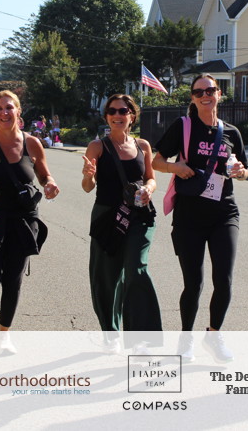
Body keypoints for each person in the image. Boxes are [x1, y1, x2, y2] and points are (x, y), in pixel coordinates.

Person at [152, 73, 248, 364]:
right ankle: (186, 339)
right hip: (189, 216)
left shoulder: (231, 132)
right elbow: (156, 161)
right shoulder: (183, 126)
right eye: (199, 92)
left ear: (219, 94)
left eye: (211, 90)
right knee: (193, 283)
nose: (206, 95)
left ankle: (214, 335)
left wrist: (240, 172)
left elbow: (244, 169)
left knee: (224, 279)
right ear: (192, 98)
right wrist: (176, 168)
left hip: (224, 213)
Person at [0, 91, 59, 353]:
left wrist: (50, 185)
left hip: (24, 220)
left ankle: (4, 335)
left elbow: (44, 175)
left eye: (9, 107)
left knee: (13, 279)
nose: (4, 113)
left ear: (18, 111)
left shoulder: (33, 144)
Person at [81, 94, 162, 353]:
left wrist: (149, 189)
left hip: (139, 217)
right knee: (107, 277)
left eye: (123, 111)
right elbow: (87, 187)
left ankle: (142, 339)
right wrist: (88, 176)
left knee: (136, 268)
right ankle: (111, 333)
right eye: (113, 111)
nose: (118, 115)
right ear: (107, 116)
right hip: (107, 217)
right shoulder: (97, 147)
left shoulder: (143, 146)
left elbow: (151, 178)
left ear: (132, 116)